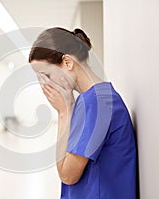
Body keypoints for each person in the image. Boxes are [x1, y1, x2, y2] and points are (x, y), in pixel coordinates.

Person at [28, 27, 137, 199]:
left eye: (47, 75)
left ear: (67, 63)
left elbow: (68, 175)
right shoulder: (94, 99)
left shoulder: (95, 104)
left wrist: (63, 112)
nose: (45, 84)